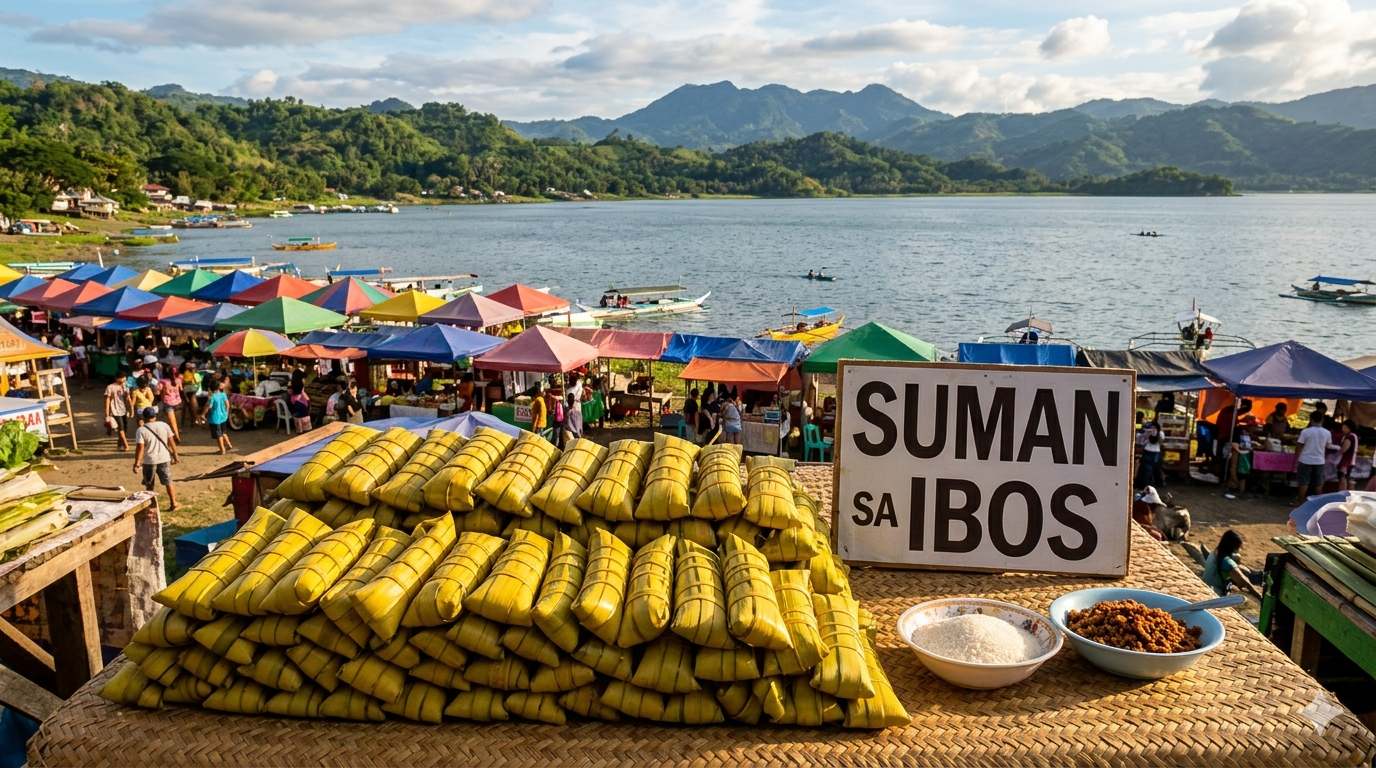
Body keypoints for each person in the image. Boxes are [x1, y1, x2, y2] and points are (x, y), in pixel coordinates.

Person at [133, 407, 179, 511]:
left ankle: (151, 506)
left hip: (150, 460)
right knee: (168, 481)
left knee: (149, 485)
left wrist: (137, 464)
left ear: (144, 417)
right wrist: (175, 453)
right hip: (164, 458)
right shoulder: (164, 425)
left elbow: (140, 448)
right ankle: (173, 503)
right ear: (155, 416)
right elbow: (171, 440)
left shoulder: (141, 430)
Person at [1295, 412, 1334, 506]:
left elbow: (1299, 445)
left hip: (1305, 459)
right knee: (1318, 483)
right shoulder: (1327, 432)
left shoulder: (1305, 431)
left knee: (1303, 482)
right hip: (1319, 460)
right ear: (1322, 420)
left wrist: (1297, 456)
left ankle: (1300, 502)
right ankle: (1318, 504)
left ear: (1311, 420)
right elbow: (1328, 445)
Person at [1201, 530, 1243, 597]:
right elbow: (1245, 582)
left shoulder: (1213, 555)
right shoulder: (1226, 562)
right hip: (1215, 593)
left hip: (1206, 587)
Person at [202, 378, 233, 455]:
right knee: (223, 432)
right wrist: (226, 411)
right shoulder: (223, 394)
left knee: (218, 435)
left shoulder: (212, 397)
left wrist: (203, 414)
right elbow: (227, 403)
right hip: (223, 417)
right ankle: (229, 445)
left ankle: (222, 450)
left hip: (215, 418)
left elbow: (209, 406)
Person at [104, 376, 132, 451]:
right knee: (121, 428)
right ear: (117, 378)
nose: (124, 379)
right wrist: (107, 414)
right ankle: (126, 445)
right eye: (122, 378)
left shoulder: (125, 386)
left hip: (123, 410)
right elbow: (107, 400)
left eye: (125, 378)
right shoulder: (110, 387)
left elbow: (128, 398)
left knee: (125, 428)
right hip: (115, 411)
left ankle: (120, 443)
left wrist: (131, 409)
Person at [1136, 421, 1165, 490]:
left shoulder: (1160, 433)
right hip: (1148, 451)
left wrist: (1156, 434)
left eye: (1154, 427)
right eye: (1151, 427)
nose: (1152, 429)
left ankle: (1157, 483)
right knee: (1146, 469)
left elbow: (1161, 441)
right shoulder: (1147, 433)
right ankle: (1146, 484)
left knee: (1156, 469)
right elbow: (1142, 440)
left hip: (1155, 452)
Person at [157, 364, 183, 442]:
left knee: (172, 421)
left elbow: (158, 392)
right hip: (178, 402)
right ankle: (177, 433)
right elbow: (181, 389)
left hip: (168, 403)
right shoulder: (178, 380)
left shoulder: (162, 381)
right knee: (177, 420)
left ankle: (176, 436)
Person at [1337, 419, 1359, 491]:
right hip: (1351, 461)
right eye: (1342, 427)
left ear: (1349, 428)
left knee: (1343, 478)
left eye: (1345, 427)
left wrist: (1338, 449)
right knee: (1347, 478)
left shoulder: (1349, 437)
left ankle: (1342, 494)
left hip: (1346, 461)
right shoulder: (1354, 436)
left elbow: (1343, 450)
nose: (1343, 429)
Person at [565, 375, 585, 440]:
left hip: (571, 407)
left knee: (572, 422)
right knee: (578, 421)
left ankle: (574, 435)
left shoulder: (569, 391)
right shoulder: (579, 385)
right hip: (578, 406)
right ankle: (579, 434)